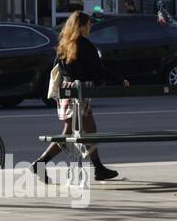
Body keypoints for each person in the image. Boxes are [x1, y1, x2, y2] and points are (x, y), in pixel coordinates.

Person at [32, 10, 126, 182]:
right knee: (73, 133)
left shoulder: (65, 44)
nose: (90, 27)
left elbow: (59, 67)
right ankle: (42, 162)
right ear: (82, 26)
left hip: (67, 91)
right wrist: (120, 80)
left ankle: (98, 168)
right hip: (80, 92)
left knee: (86, 129)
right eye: (89, 24)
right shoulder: (84, 45)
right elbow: (99, 69)